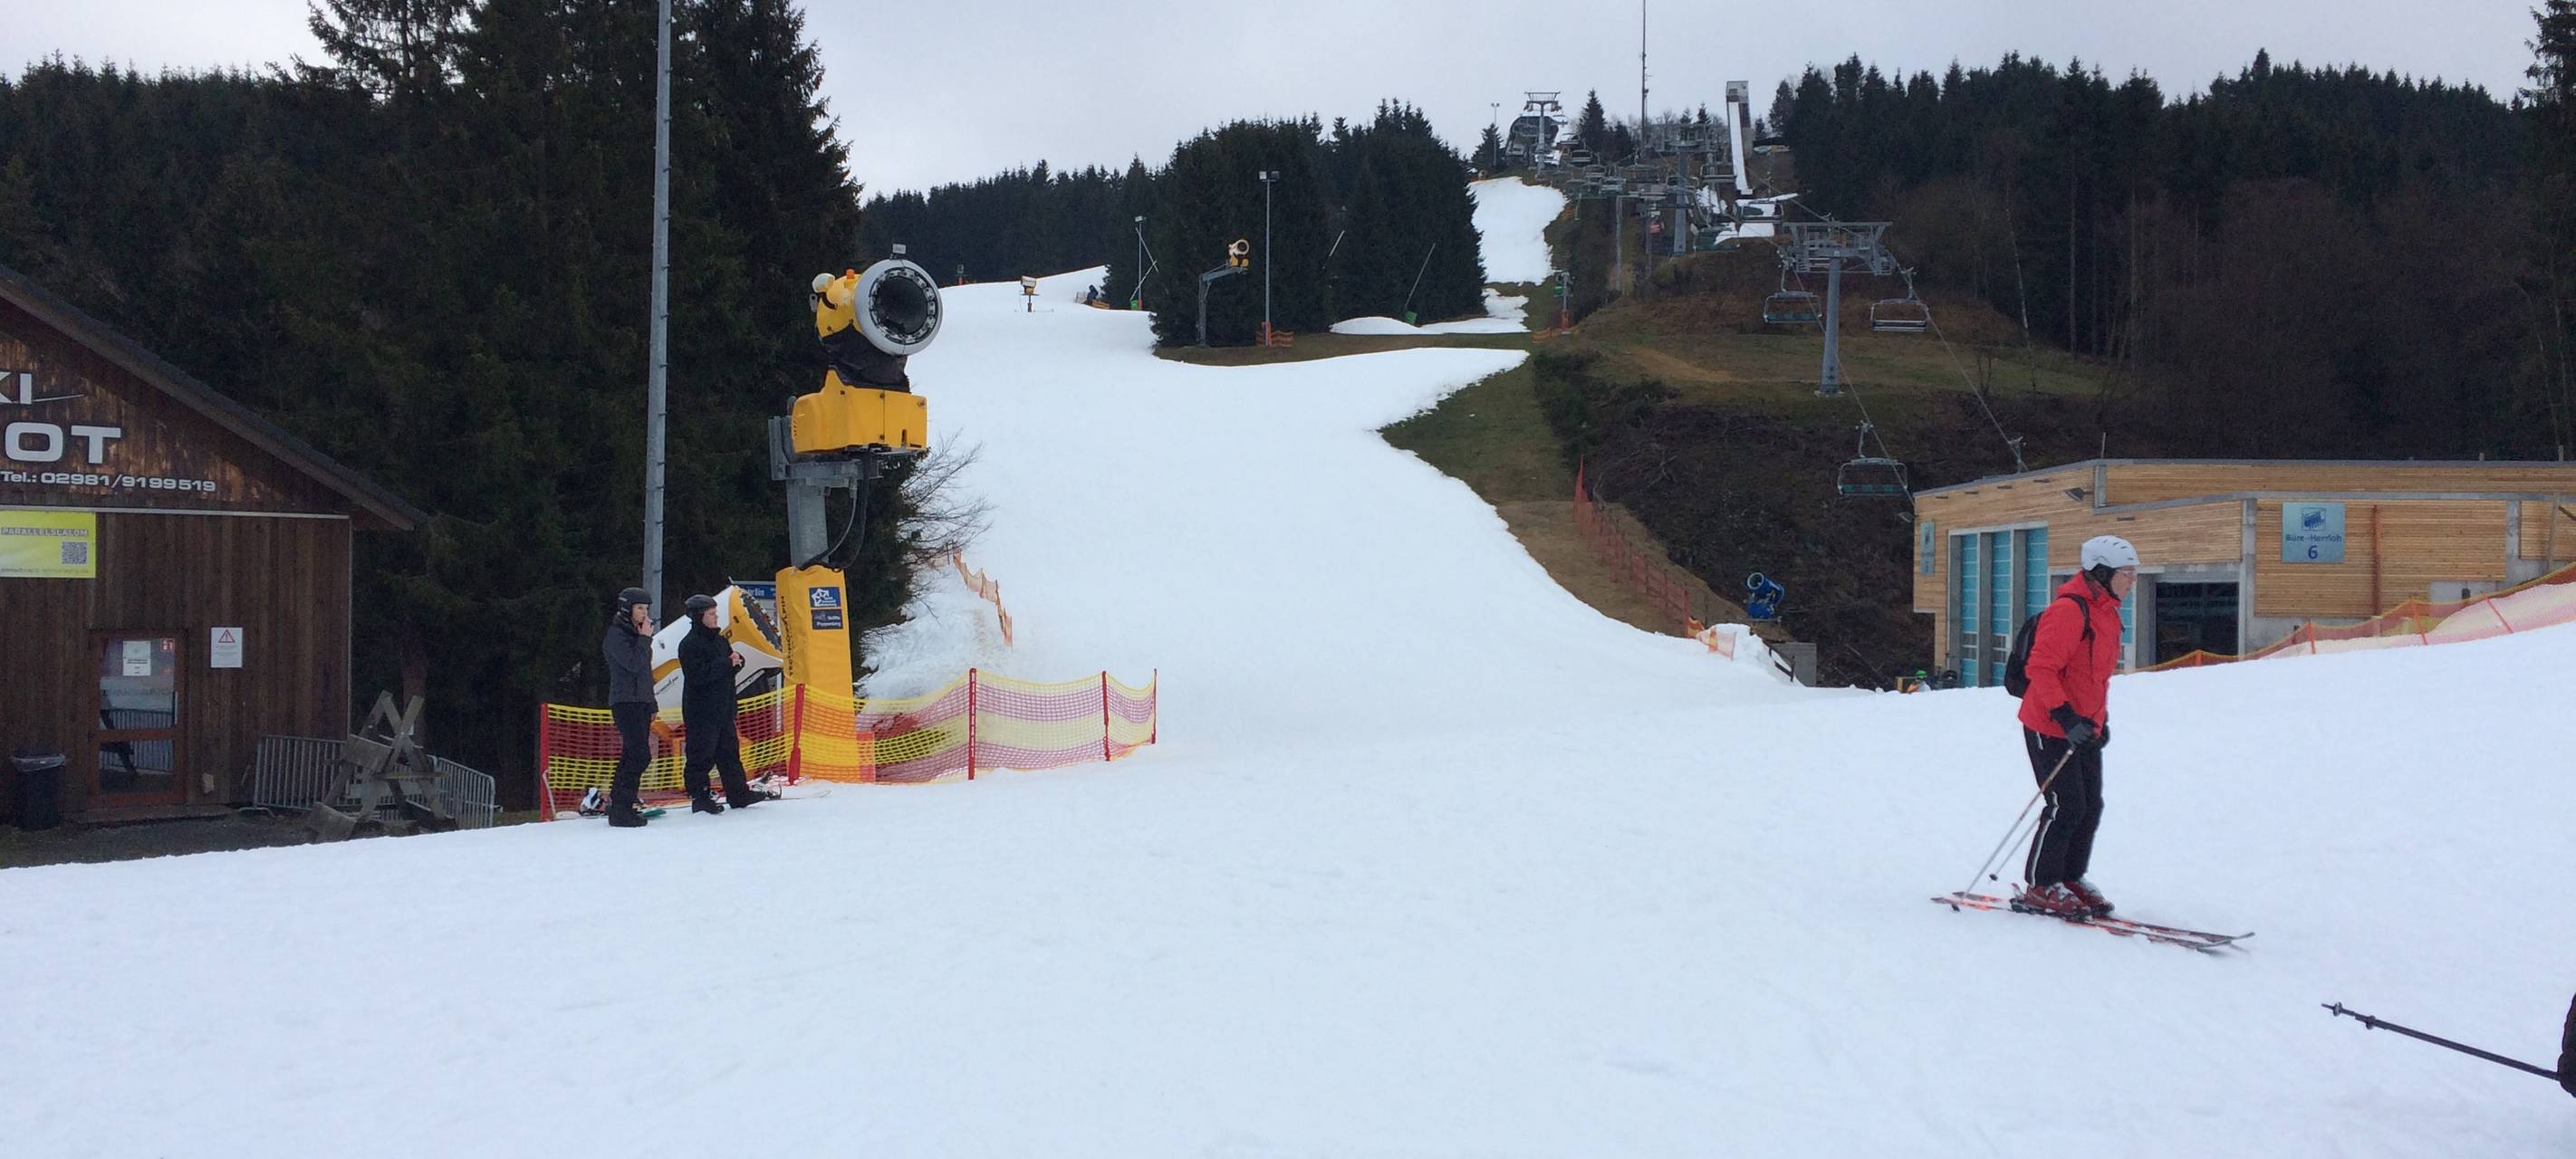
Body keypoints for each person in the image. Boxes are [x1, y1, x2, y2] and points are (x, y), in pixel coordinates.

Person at [2013, 535, 2138, 918]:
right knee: (2065, 805)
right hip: (2049, 725)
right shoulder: (2069, 611)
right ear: (2101, 573)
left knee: (2090, 806)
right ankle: (2040, 885)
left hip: (2084, 727)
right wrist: (2065, 717)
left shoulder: (2107, 613)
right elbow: (2041, 669)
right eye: (2126, 574)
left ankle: (2069, 878)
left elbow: (2096, 678)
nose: (2132, 581)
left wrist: (2100, 722)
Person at [676, 593, 773, 812]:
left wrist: (737, 662)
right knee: (701, 755)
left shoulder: (720, 641)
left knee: (730, 754)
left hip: (724, 708)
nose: (716, 617)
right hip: (701, 711)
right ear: (699, 616)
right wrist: (726, 663)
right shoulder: (689, 644)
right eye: (711, 614)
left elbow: (727, 668)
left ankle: (738, 794)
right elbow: (698, 675)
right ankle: (700, 798)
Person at [600, 587, 658, 828]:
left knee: (631, 754)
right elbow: (633, 664)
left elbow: (645, 672)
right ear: (627, 609)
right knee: (639, 754)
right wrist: (645, 638)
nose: (644, 614)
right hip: (625, 701)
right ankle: (621, 809)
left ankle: (620, 803)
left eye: (646, 609)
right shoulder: (616, 636)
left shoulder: (636, 635)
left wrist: (651, 702)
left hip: (640, 701)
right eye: (640, 608)